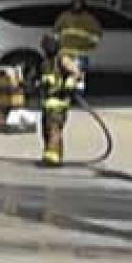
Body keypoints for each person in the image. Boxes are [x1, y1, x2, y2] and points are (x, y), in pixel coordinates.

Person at [37, 33, 82, 167]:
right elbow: (44, 79)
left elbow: (76, 73)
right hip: (47, 103)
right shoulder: (45, 62)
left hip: (59, 103)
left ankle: (52, 158)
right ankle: (53, 154)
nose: (47, 49)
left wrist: (69, 84)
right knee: (46, 131)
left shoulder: (62, 60)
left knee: (54, 129)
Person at [53, 0, 102, 85]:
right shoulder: (64, 16)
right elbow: (56, 32)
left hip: (80, 55)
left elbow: (96, 36)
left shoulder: (89, 19)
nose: (76, 1)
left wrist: (88, 45)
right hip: (65, 55)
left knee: (77, 85)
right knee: (63, 84)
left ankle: (75, 97)